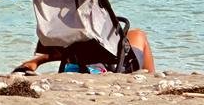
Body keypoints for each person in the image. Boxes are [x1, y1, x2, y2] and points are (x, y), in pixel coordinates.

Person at [13, 28, 155, 74]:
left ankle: (39, 60)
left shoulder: (54, 11)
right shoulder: (88, 5)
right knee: (138, 35)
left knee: (79, 39)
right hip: (99, 62)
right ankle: (150, 78)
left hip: (74, 57)